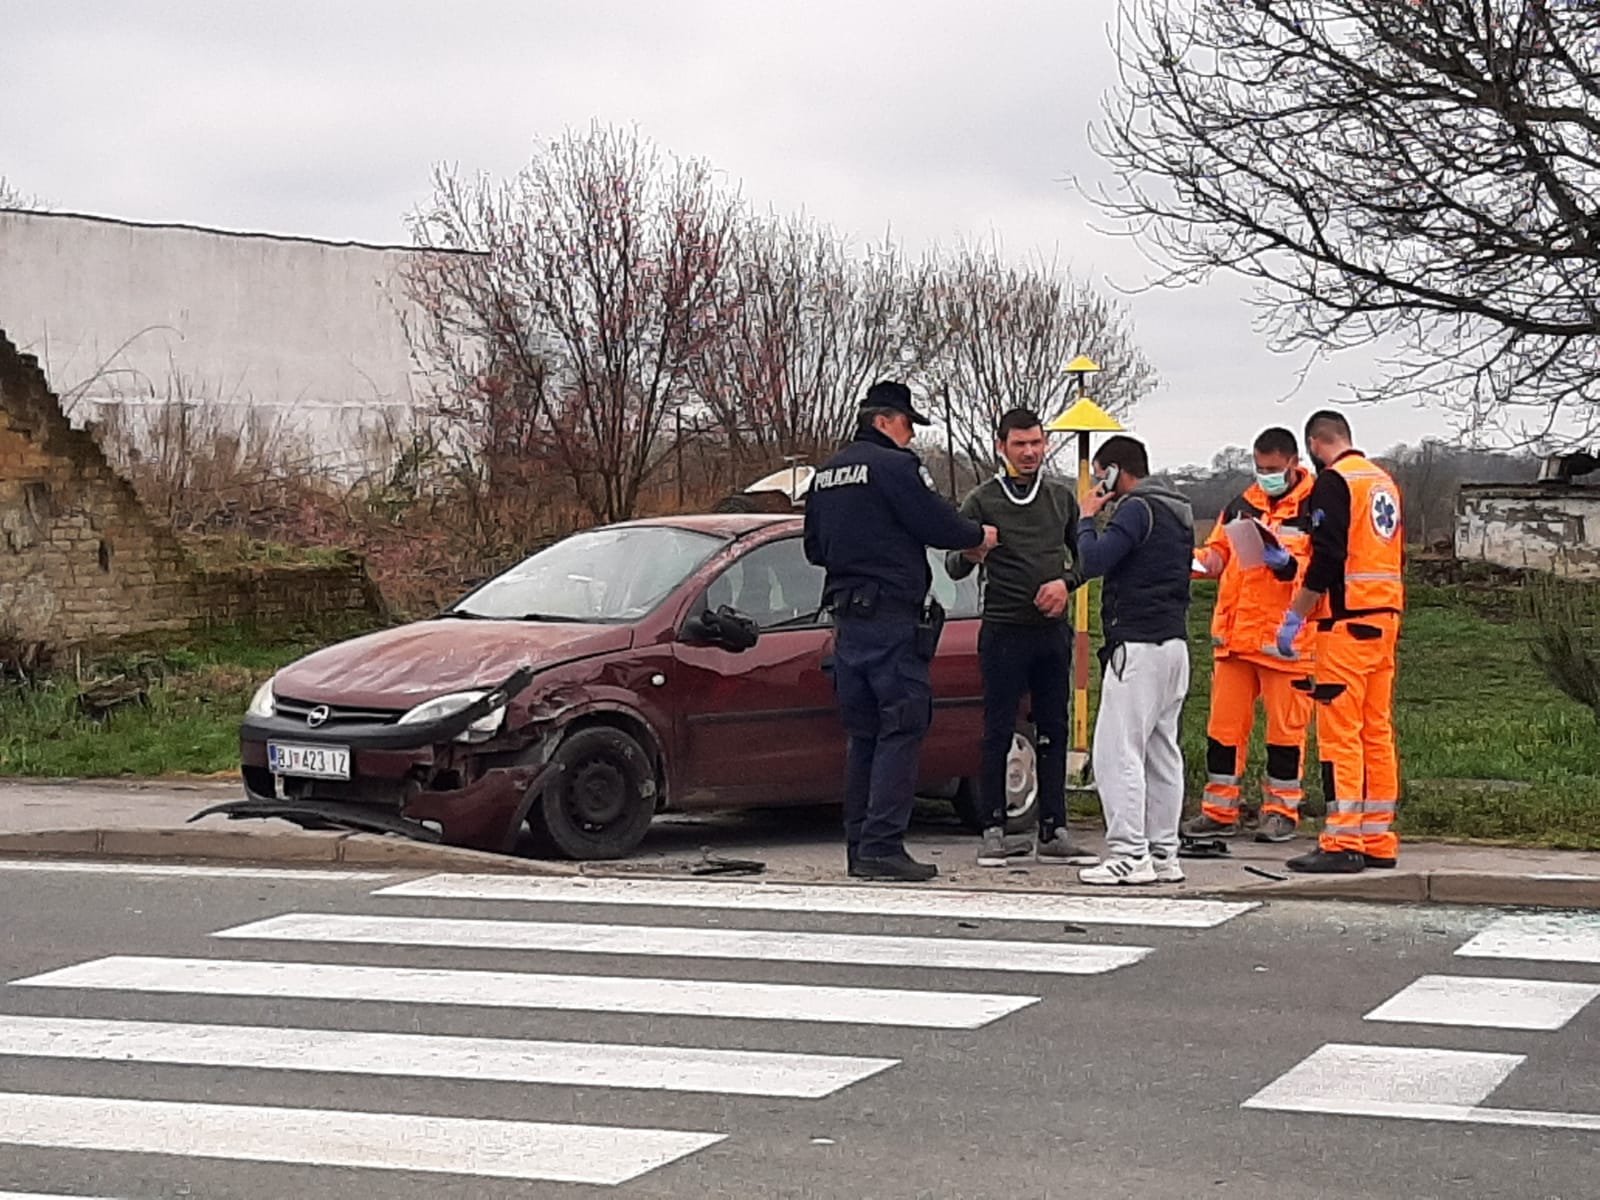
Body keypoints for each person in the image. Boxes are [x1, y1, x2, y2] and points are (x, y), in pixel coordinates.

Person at [803, 380, 998, 883]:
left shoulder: (824, 476)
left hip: (847, 621)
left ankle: (860, 846)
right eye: (909, 425)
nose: (911, 436)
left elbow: (814, 550)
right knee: (902, 726)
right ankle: (884, 845)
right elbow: (937, 524)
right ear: (886, 420)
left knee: (863, 734)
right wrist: (978, 537)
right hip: (891, 619)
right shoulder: (894, 466)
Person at [945, 407, 1100, 869]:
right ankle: (993, 829)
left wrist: (1066, 584)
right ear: (1002, 447)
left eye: (1036, 443)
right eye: (1019, 444)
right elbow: (953, 565)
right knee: (998, 728)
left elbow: (1090, 555)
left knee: (1054, 727)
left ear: (1046, 442)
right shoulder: (981, 500)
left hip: (1052, 631)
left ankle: (1054, 830)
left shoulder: (1060, 498)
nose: (1029, 452)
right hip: (1003, 629)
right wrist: (973, 551)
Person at [1273, 410, 1405, 874]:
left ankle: (1341, 840)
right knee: (1376, 731)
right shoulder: (1382, 481)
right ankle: (1378, 838)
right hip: (1385, 618)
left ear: (1314, 443)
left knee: (1340, 735)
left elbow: (1328, 554)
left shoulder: (1335, 481)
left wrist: (1296, 615)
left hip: (1346, 624)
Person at [1183, 427, 1317, 844]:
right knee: (1223, 732)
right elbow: (1217, 555)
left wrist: (1287, 566)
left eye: (1274, 469)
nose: (1266, 476)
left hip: (1285, 643)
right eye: (1260, 469)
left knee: (1285, 735)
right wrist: (1185, 561)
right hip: (1237, 640)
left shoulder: (1315, 506)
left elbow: (1320, 570)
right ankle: (1220, 811)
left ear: (1295, 464)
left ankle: (1280, 812)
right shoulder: (1242, 504)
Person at [1072, 435, 1195, 886]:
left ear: (1113, 472)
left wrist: (1087, 517)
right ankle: (1165, 853)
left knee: (1116, 750)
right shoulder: (1179, 511)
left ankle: (1128, 853)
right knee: (1163, 751)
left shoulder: (1135, 509)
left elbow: (1093, 560)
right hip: (1174, 644)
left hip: (1138, 646)